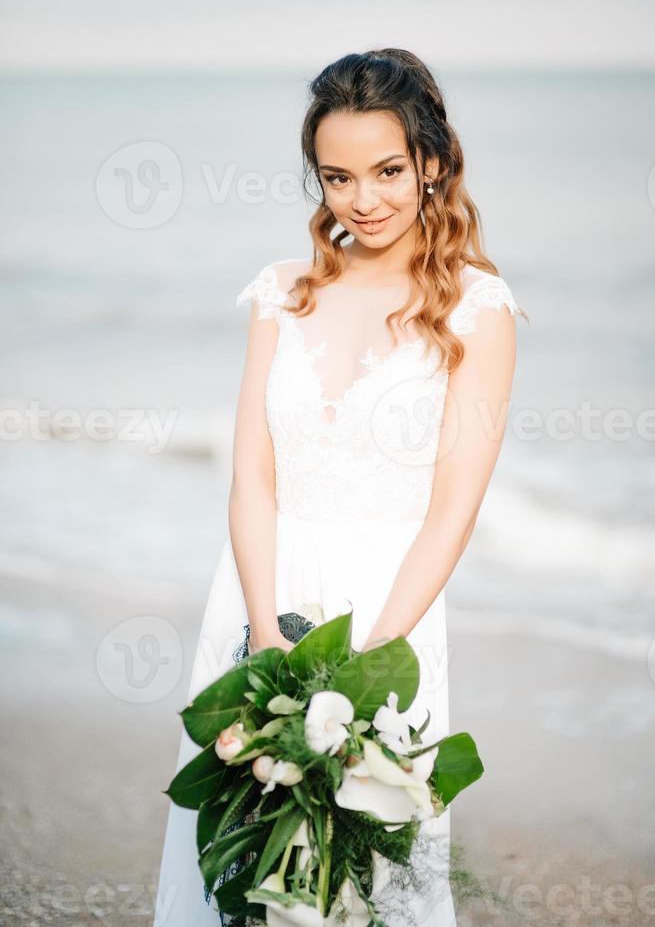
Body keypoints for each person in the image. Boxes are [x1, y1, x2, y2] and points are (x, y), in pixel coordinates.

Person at [152, 47, 527, 927]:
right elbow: (250, 475)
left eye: (389, 170)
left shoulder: (478, 308)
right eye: (338, 177)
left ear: (432, 162)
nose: (365, 200)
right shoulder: (280, 294)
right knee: (242, 852)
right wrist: (261, 627)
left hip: (387, 613)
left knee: (370, 862)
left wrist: (365, 670)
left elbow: (451, 512)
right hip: (260, 595)